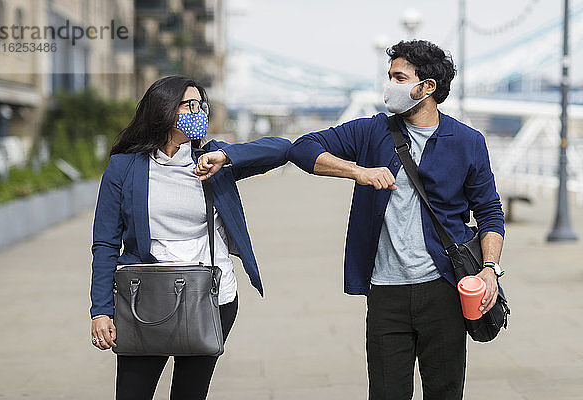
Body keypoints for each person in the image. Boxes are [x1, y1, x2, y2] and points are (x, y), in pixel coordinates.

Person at [287, 40, 505, 400]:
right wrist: (356, 171)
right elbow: (302, 148)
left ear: (427, 87)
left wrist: (490, 269)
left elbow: (489, 212)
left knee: (445, 392)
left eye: (399, 77)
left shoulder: (467, 141)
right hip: (385, 292)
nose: (390, 85)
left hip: (445, 289)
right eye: (389, 76)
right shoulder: (372, 131)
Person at [89, 75, 290, 400]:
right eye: (190, 105)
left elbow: (282, 149)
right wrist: (100, 309)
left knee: (189, 393)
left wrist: (226, 157)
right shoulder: (124, 168)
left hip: (209, 298)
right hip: (146, 299)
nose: (200, 112)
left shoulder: (214, 160)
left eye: (202, 105)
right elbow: (105, 244)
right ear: (164, 110)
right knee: (131, 392)